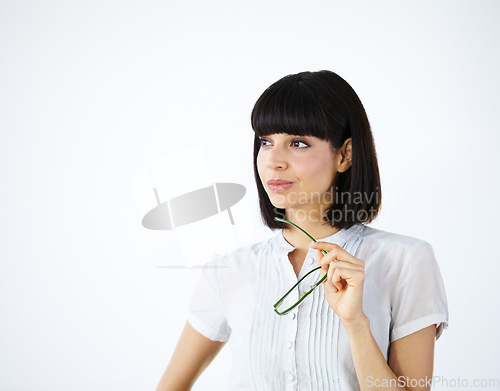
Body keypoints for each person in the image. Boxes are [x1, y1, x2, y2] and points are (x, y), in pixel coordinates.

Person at [156, 70, 449, 391]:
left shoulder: (406, 260)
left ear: (345, 154)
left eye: (298, 143)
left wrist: (355, 322)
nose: (273, 160)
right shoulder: (229, 269)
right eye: (266, 142)